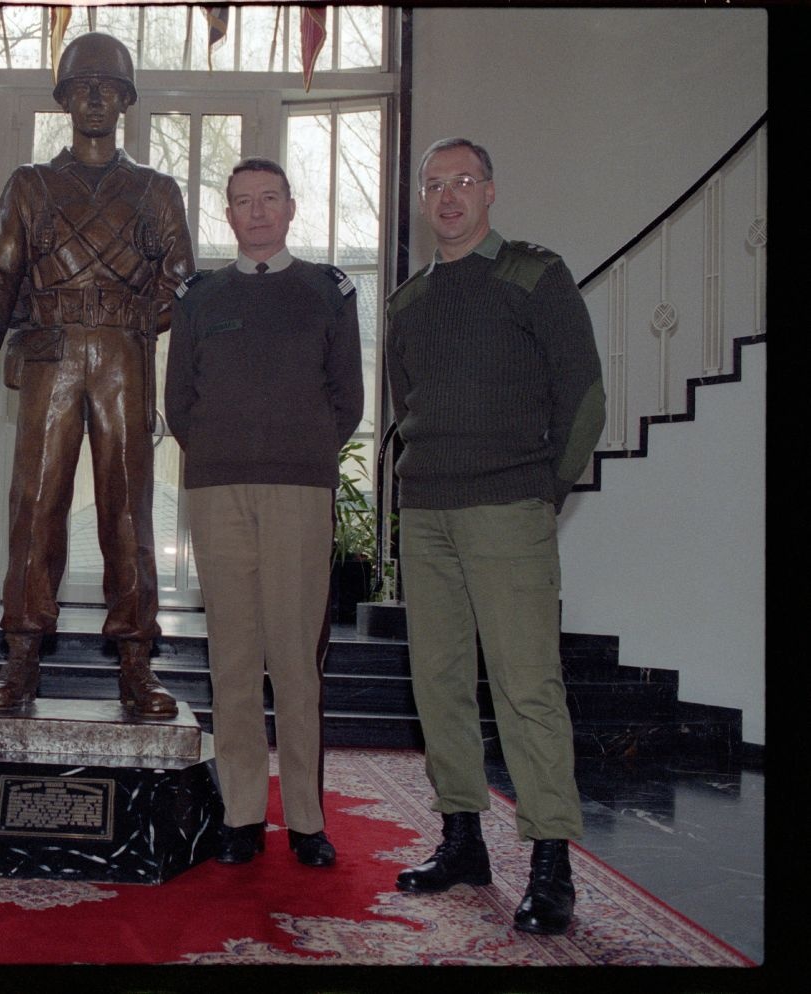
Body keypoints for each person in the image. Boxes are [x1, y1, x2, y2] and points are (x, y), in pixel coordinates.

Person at [384, 138, 606, 934]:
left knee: (526, 687)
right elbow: (410, 404)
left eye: (464, 182)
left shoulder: (535, 277)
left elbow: (583, 398)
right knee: (438, 682)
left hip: (509, 508)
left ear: (490, 193)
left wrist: (542, 492)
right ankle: (461, 840)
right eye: (435, 185)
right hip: (427, 513)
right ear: (423, 198)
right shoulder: (407, 302)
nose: (448, 198)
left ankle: (551, 864)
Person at [0, 32, 194, 717]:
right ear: (63, 99)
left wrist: (147, 309)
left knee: (127, 509)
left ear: (125, 101)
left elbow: (183, 282)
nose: (94, 98)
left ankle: (137, 661)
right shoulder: (29, 186)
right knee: (35, 506)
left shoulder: (156, 191)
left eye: (108, 88)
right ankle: (23, 654)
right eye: (82, 86)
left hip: (122, 353)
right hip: (50, 351)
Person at [164, 158, 363, 866]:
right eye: (242, 201)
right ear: (228, 215)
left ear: (290, 207)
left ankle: (307, 821)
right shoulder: (199, 296)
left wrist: (296, 451)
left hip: (298, 491)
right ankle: (244, 813)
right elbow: (178, 402)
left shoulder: (327, 291)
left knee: (295, 658)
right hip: (218, 489)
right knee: (235, 655)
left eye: (268, 199)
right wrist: (226, 451)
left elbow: (348, 400)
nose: (256, 212)